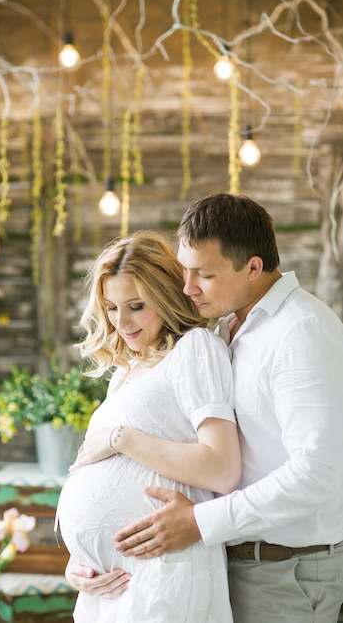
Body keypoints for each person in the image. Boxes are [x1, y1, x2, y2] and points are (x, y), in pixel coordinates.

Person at [66, 194, 343, 623]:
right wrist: (87, 548)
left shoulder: (300, 331)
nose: (187, 286)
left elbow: (319, 472)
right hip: (237, 562)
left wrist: (200, 521)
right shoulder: (228, 326)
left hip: (286, 568)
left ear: (252, 267)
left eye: (204, 274)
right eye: (184, 270)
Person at [55, 230, 241, 622]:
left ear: (166, 295)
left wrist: (122, 439)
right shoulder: (127, 370)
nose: (121, 322)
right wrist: (78, 561)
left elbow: (221, 469)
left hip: (162, 573)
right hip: (109, 586)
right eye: (110, 307)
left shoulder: (194, 348)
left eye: (136, 306)